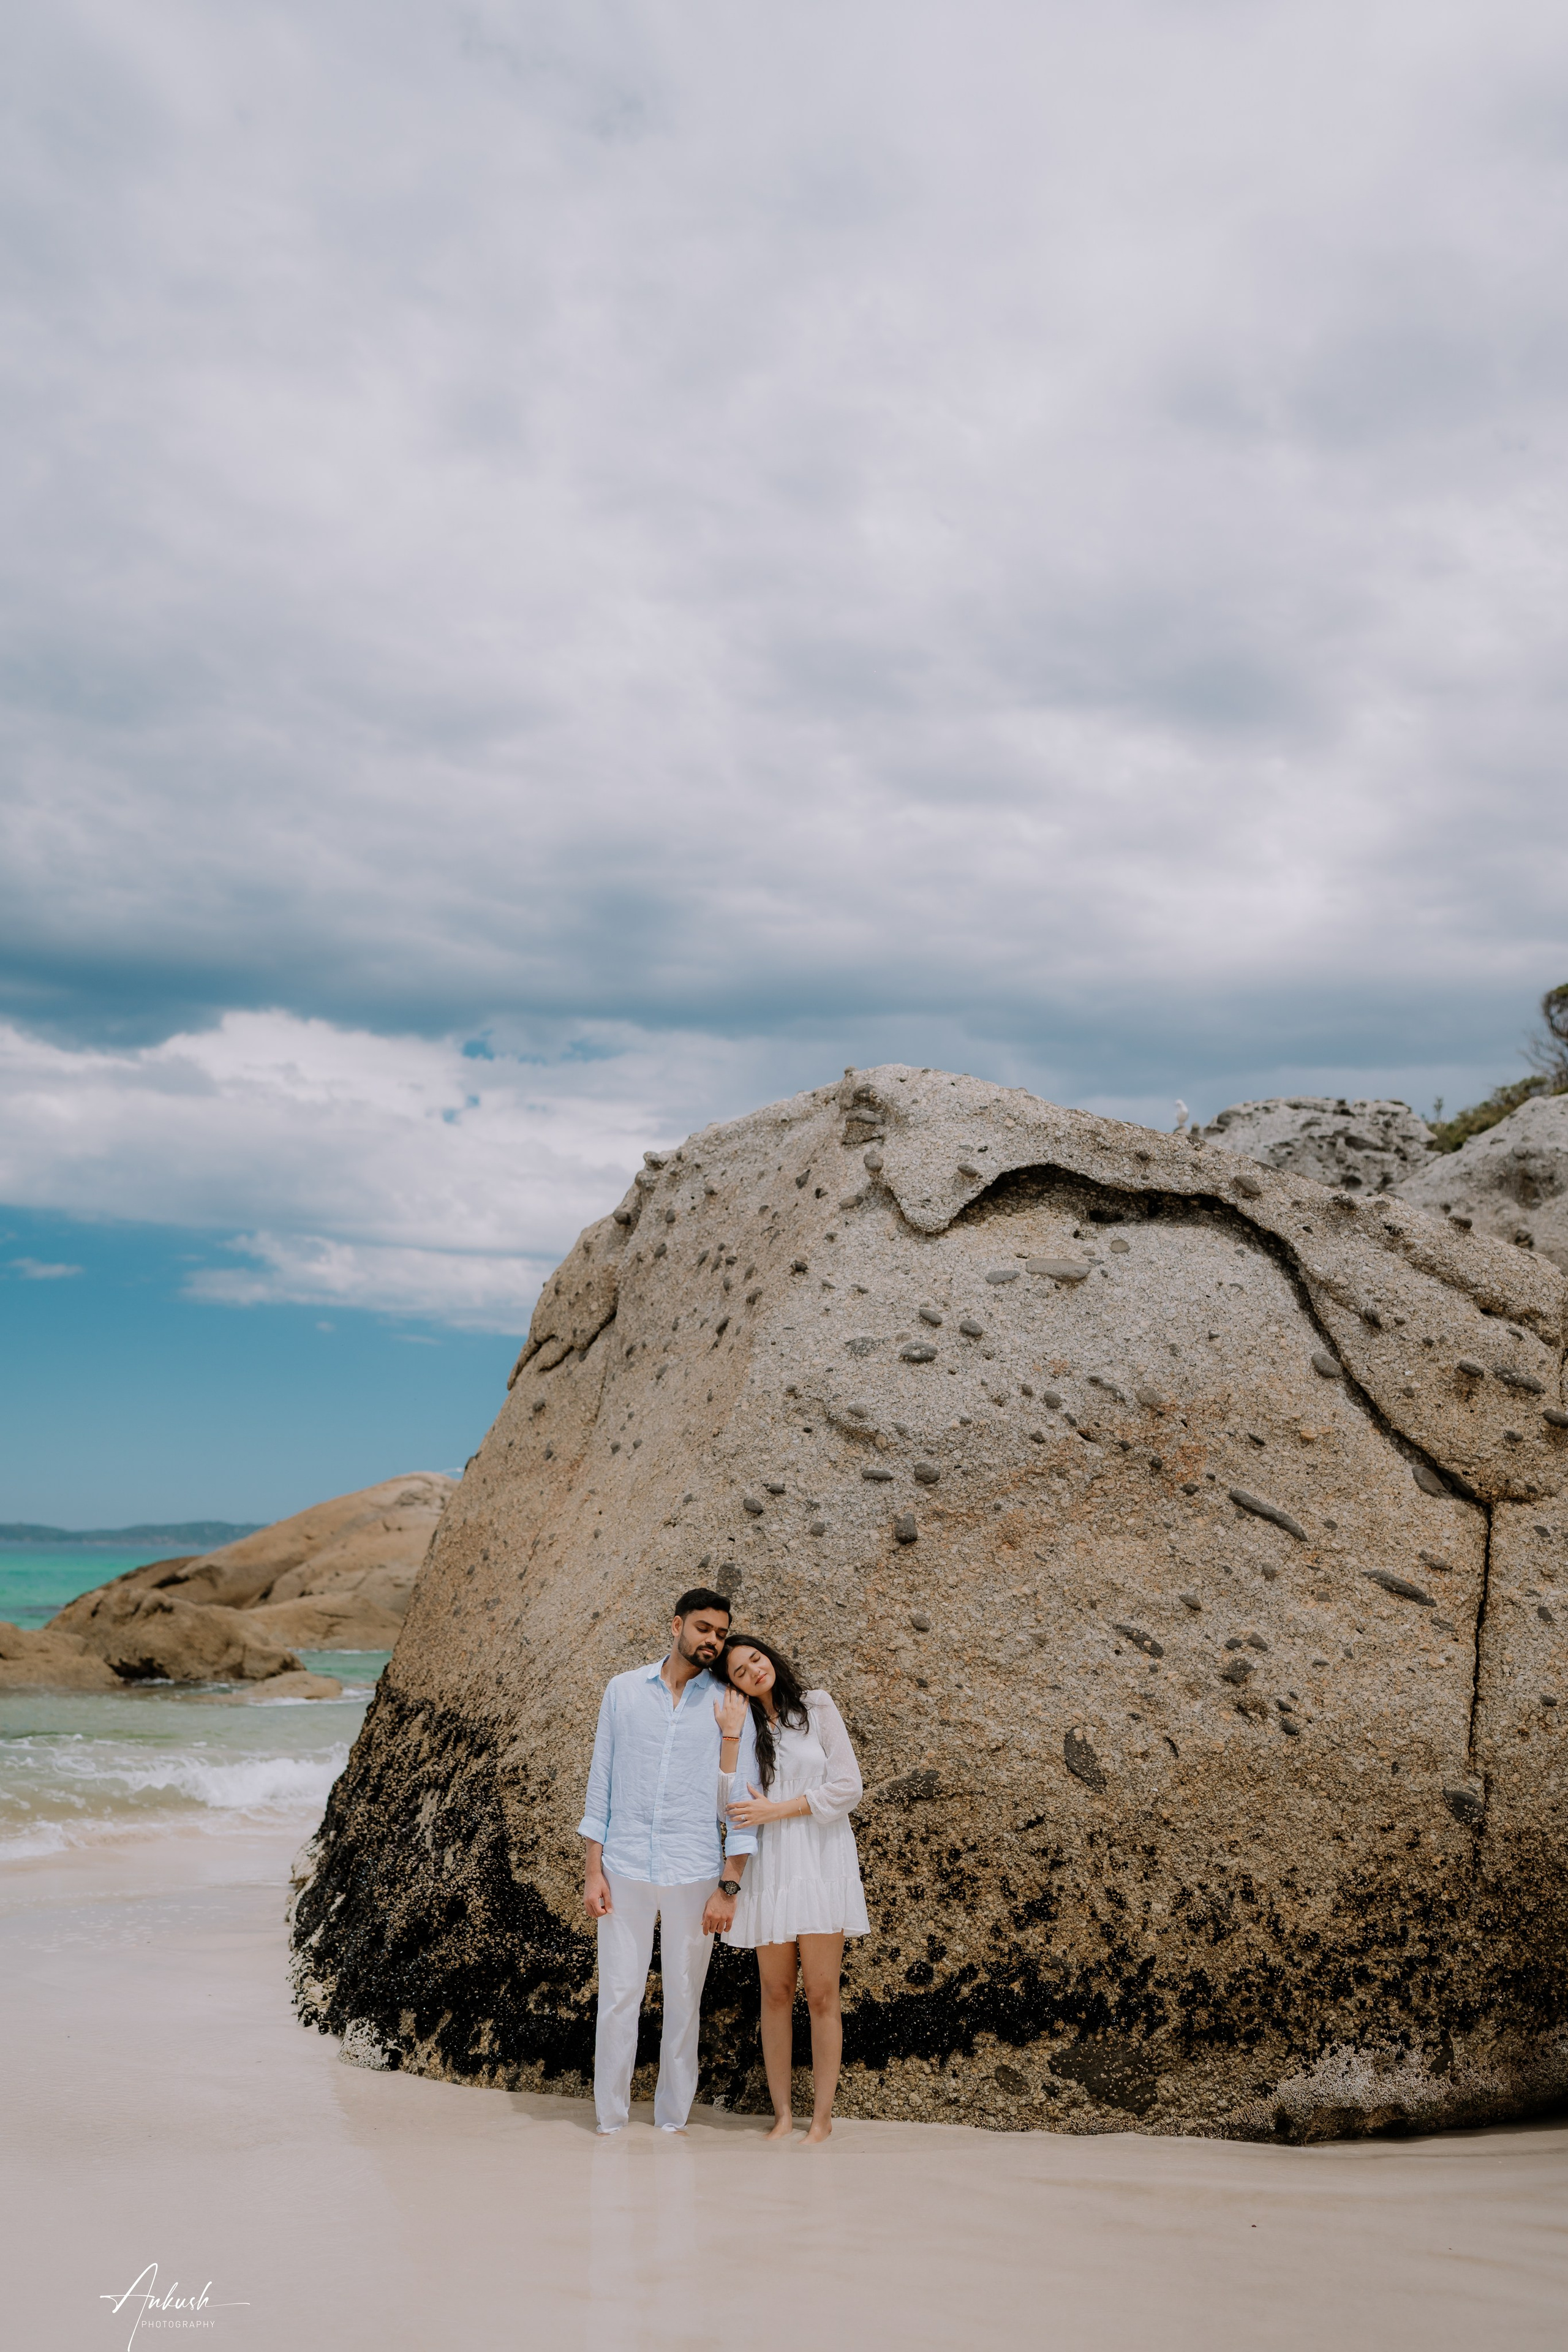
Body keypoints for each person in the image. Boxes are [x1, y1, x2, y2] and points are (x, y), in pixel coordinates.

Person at [579, 1588, 760, 2135]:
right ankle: (610, 2121)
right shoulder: (624, 1690)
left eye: (722, 1634)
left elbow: (743, 1801)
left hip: (695, 1869)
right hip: (625, 1867)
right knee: (618, 1997)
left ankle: (671, 2124)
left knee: (685, 2001)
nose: (713, 1641)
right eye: (704, 1628)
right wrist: (593, 1869)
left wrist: (730, 1884)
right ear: (676, 1625)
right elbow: (600, 1782)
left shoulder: (731, 1704)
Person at [715, 1634, 869, 2143]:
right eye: (739, 1672)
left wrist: (777, 1808)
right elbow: (730, 1808)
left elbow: (849, 1787)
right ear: (733, 1686)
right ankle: (783, 2114)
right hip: (773, 1867)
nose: (753, 1671)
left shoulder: (816, 1706)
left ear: (770, 1657)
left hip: (822, 1860)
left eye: (755, 1659)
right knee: (776, 1992)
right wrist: (732, 1734)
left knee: (823, 1994)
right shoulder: (748, 1731)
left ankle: (821, 2119)